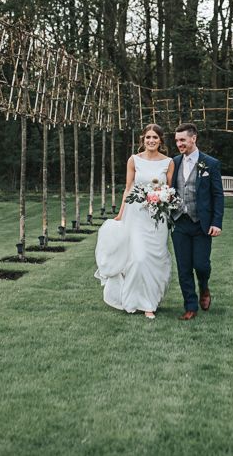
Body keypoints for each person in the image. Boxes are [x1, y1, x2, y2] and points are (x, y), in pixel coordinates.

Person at [94, 124, 174, 319]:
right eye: (148, 137)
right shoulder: (134, 160)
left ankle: (151, 302)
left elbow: (170, 190)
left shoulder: (168, 162)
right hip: (136, 215)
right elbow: (128, 188)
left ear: (161, 140)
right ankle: (136, 301)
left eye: (155, 137)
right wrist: (121, 214)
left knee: (156, 259)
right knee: (138, 258)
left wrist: (162, 197)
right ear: (143, 140)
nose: (151, 141)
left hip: (158, 218)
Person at [171, 123, 224, 320]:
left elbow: (218, 195)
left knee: (201, 265)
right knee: (183, 267)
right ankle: (190, 306)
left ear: (193, 139)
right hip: (180, 222)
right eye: (177, 141)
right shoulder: (174, 162)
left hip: (201, 223)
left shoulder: (210, 163)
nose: (179, 144)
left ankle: (204, 287)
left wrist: (216, 222)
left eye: (182, 140)